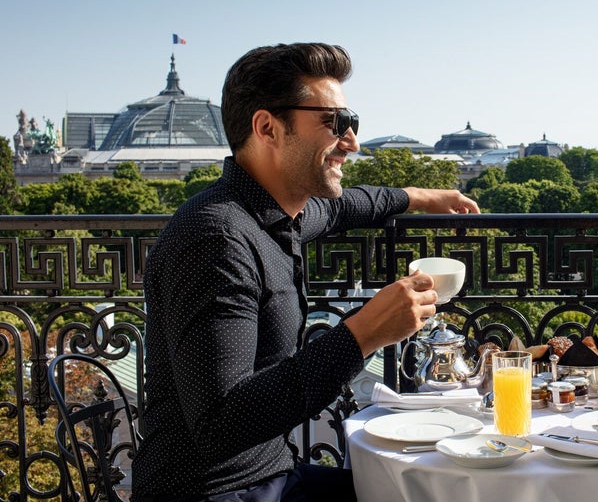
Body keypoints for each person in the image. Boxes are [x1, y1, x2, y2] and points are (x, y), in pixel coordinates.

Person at [132, 43, 479, 502]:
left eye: (352, 123)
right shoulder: (216, 239)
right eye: (335, 123)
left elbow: (342, 208)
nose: (352, 141)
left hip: (272, 478)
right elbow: (221, 423)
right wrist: (362, 334)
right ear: (267, 128)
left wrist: (418, 196)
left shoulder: (274, 212)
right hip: (215, 492)